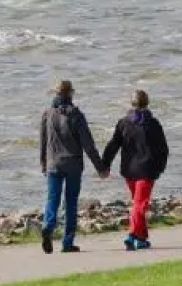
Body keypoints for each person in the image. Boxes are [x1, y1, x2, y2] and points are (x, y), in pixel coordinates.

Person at [38, 79, 108, 254]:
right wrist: (100, 167)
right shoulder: (76, 115)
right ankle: (67, 242)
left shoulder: (47, 114)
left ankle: (48, 225)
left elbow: (43, 142)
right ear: (70, 94)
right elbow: (88, 145)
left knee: (52, 199)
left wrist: (43, 164)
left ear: (55, 94)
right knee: (70, 203)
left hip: (53, 163)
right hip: (73, 165)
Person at [102, 89, 169, 250]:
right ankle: (132, 235)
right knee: (140, 204)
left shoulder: (124, 123)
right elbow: (163, 149)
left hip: (129, 171)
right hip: (146, 171)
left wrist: (105, 164)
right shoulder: (153, 124)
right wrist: (160, 168)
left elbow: (113, 145)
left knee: (138, 203)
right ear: (147, 103)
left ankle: (142, 238)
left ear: (131, 104)